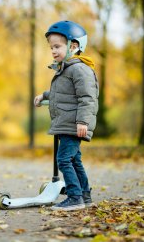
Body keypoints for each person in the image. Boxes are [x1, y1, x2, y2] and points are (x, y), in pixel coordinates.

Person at [34, 20, 99, 211]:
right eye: (51, 47)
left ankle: (74, 197)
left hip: (74, 123)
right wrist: (44, 96)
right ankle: (84, 195)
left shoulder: (79, 69)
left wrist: (83, 121)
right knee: (74, 160)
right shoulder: (65, 69)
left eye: (57, 46)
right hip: (66, 123)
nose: (53, 51)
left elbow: (87, 98)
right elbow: (61, 94)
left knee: (63, 159)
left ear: (74, 46)